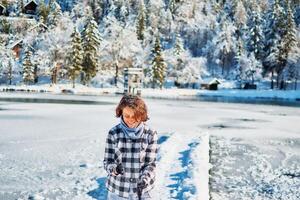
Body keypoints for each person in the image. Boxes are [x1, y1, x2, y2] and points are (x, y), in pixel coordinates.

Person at [103, 94, 158, 200]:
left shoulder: (150, 134)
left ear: (141, 114)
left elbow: (150, 164)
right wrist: (114, 169)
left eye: (135, 116)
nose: (131, 119)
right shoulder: (114, 133)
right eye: (127, 115)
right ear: (121, 113)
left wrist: (144, 180)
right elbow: (107, 161)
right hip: (118, 190)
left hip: (143, 191)